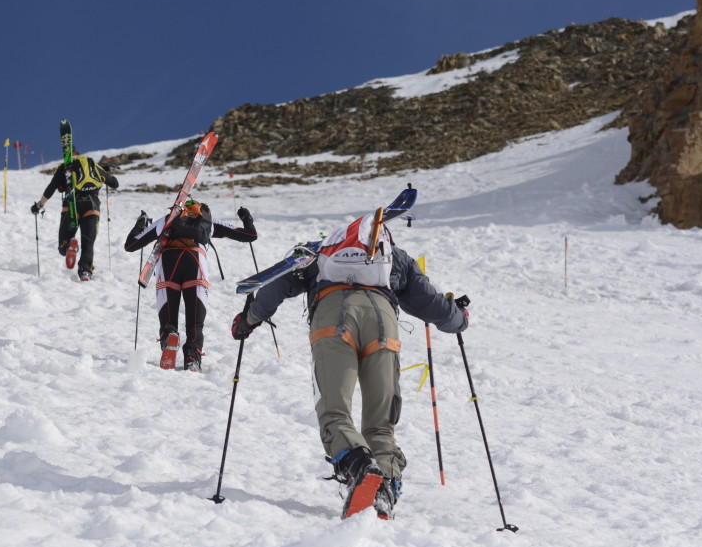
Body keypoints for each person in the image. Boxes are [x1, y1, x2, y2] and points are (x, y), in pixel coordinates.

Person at [230, 210, 468, 520]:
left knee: (335, 410)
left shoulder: (318, 251)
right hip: (382, 323)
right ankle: (383, 490)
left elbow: (277, 286)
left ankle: (359, 466)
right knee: (381, 424)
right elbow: (437, 308)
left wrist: (248, 320)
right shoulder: (394, 257)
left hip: (333, 317)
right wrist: (460, 317)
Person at [125, 202, 257, 372]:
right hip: (196, 262)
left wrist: (141, 224)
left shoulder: (165, 220)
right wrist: (246, 217)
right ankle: (192, 357)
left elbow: (130, 245)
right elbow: (249, 235)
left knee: (169, 318)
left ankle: (169, 336)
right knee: (195, 323)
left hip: (169, 264)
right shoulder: (208, 223)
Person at [31, 153, 118, 281]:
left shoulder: (64, 168)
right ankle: (85, 271)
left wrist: (39, 205)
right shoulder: (95, 167)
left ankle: (68, 246)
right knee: (88, 242)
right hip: (92, 206)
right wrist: (107, 172)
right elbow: (115, 184)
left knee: (62, 246)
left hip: (71, 206)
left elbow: (51, 188)